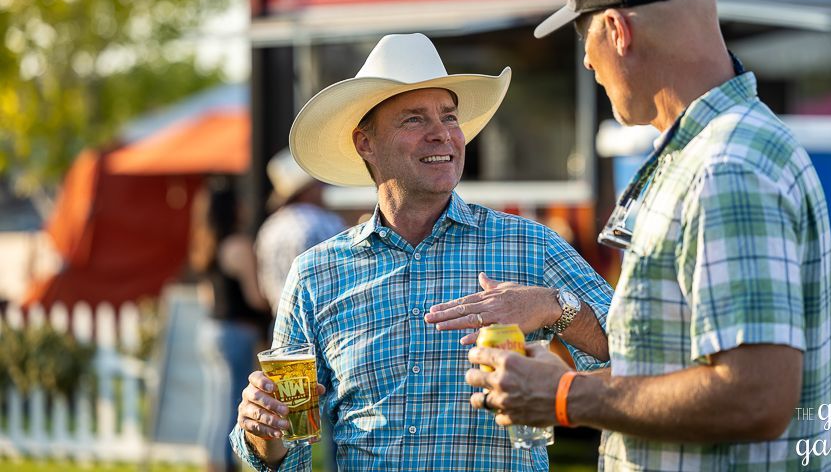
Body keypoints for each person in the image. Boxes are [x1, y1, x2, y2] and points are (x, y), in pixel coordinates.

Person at [466, 0, 831, 471]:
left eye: (583, 39)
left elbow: (757, 395)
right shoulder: (717, 149)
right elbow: (667, 362)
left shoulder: (725, 166)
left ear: (618, 32)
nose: (588, 63)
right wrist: (559, 314)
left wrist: (567, 395)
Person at [230, 32, 614, 471]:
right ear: (365, 143)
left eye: (449, 117)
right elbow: (289, 453)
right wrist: (262, 429)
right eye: (414, 119)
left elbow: (639, 349)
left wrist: (550, 306)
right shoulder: (316, 273)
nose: (442, 135)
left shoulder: (530, 245)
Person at [190, 176, 270, 472]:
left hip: (211, 330)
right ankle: (225, 465)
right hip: (237, 332)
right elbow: (256, 298)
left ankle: (211, 464)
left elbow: (206, 295)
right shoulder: (239, 245)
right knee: (232, 406)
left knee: (215, 406)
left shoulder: (206, 245)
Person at [256, 148, 346, 317]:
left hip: (280, 318)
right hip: (322, 318)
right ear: (307, 190)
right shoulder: (324, 221)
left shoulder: (269, 227)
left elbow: (264, 286)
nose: (323, 189)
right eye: (318, 184)